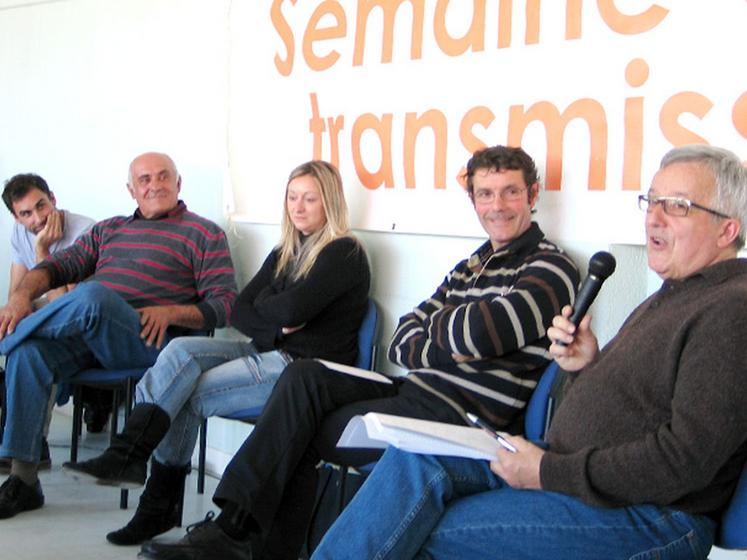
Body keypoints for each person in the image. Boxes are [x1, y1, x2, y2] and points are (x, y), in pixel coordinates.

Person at [140, 145, 581, 560]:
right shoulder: (472, 264)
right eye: (485, 193)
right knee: (305, 377)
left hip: (462, 417)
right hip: (412, 389)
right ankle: (237, 526)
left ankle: (247, 541)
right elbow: (405, 338)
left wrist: (444, 335)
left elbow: (484, 334)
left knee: (304, 427)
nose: (497, 205)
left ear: (533, 195)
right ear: (474, 200)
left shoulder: (552, 266)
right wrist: (453, 340)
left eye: (510, 192)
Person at [308, 144, 747, 560]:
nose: (654, 218)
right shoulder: (672, 295)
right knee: (415, 457)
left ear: (728, 228)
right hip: (571, 471)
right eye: (651, 201)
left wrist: (547, 473)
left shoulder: (731, 309)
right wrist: (585, 366)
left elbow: (683, 462)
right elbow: (636, 406)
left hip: (654, 515)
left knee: (417, 527)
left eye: (678, 206)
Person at [63, 160, 371, 546]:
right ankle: (129, 456)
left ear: (331, 203)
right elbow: (242, 308)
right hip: (265, 349)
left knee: (182, 390)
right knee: (179, 352)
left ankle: (155, 502)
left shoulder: (344, 252)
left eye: (310, 199)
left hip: (300, 370)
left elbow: (292, 309)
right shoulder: (286, 251)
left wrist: (272, 306)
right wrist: (276, 323)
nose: (298, 207)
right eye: (293, 197)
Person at [0, 152, 237, 520]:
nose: (154, 185)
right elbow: (54, 267)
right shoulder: (109, 229)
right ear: (131, 189)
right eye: (144, 179)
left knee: (91, 296)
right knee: (29, 353)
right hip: (93, 338)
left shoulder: (204, 233)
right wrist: (18, 298)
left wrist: (172, 312)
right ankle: (24, 481)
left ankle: (6, 340)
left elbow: (225, 305)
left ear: (178, 183)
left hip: (150, 343)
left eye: (163, 176)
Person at [1, 173, 95, 473]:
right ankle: (21, 442)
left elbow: (70, 312)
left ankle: (28, 445)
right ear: (16, 218)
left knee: (24, 346)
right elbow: (17, 299)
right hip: (47, 314)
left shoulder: (85, 232)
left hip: (82, 326)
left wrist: (43, 253)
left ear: (53, 199)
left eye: (41, 206)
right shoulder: (20, 234)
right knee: (16, 336)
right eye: (26, 214)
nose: (37, 218)